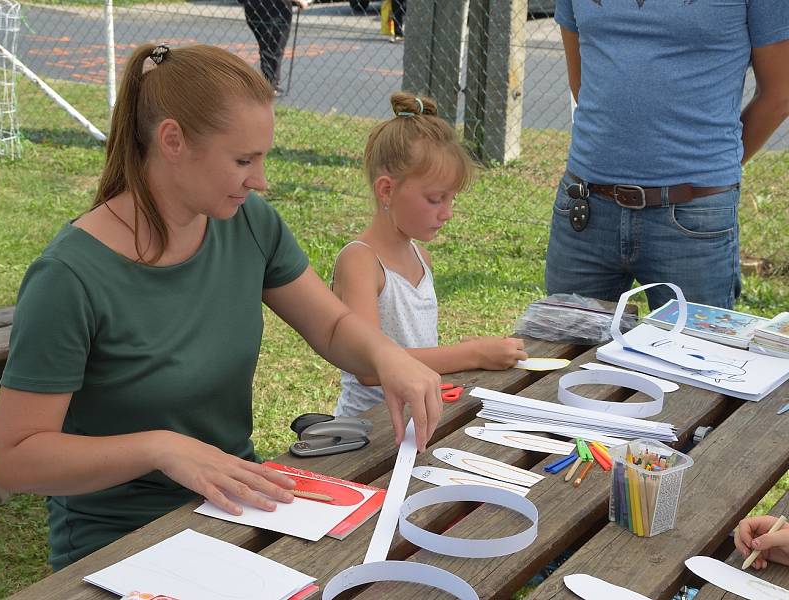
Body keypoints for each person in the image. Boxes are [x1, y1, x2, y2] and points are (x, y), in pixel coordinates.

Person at [0, 44, 441, 571]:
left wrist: (389, 357)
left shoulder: (249, 223)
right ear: (173, 141)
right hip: (118, 544)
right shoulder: (69, 278)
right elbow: (13, 460)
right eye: (243, 160)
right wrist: (160, 448)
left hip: (237, 511)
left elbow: (334, 326)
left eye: (263, 158)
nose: (261, 180)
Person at [545, 0, 789, 311]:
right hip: (585, 208)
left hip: (693, 216)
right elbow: (582, 84)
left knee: (691, 357)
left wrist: (709, 166)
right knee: (566, 354)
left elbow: (779, 93)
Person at [331, 92, 528, 417]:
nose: (447, 213)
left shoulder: (421, 257)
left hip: (417, 420)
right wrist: (473, 354)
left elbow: (417, 352)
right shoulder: (361, 262)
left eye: (452, 199)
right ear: (387, 190)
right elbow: (367, 367)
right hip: (367, 432)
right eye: (436, 199)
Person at [241, 0, 308, 94]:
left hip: (253, 5)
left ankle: (269, 82)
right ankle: (269, 85)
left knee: (267, 45)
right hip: (275, 7)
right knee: (274, 46)